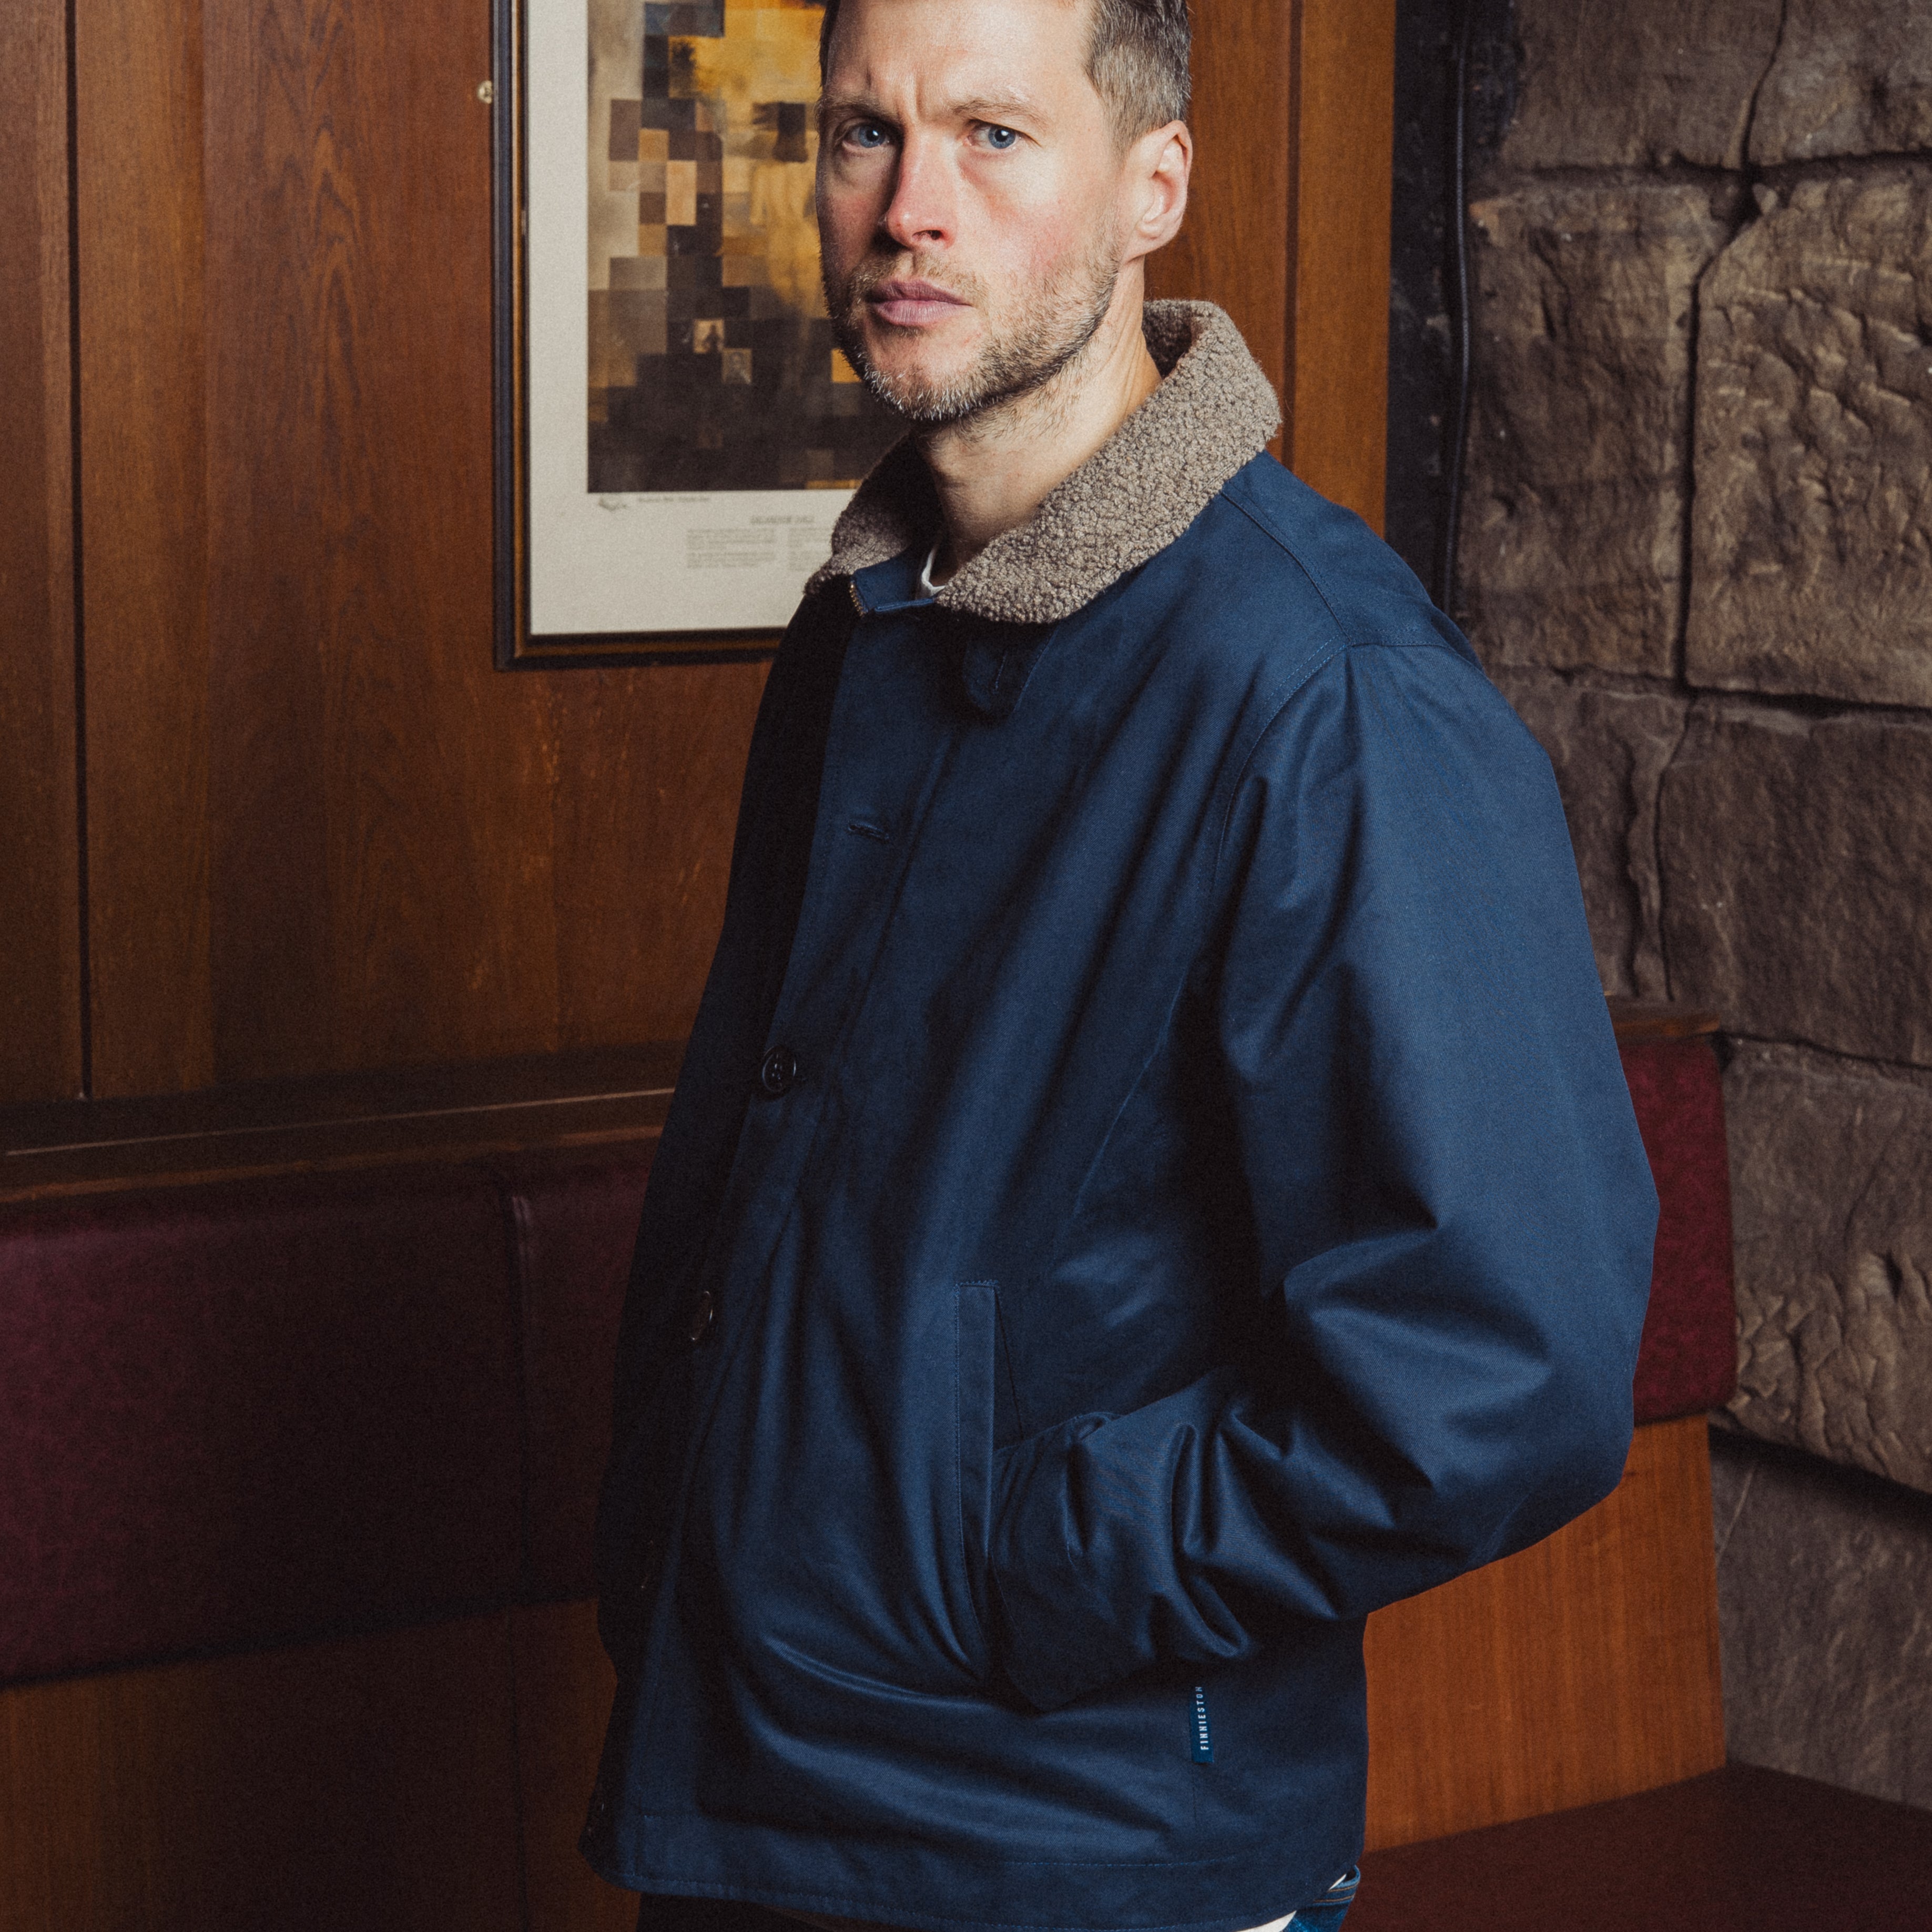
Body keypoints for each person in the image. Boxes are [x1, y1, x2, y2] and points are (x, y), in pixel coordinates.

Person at [583, 0, 1658, 1927]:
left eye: (993, 135)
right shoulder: (863, 628)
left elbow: (1510, 1361)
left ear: (1153, 184)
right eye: (862, 135)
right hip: (760, 1791)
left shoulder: (1323, 692)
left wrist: (1036, 1557)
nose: (908, 206)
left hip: (1074, 1848)